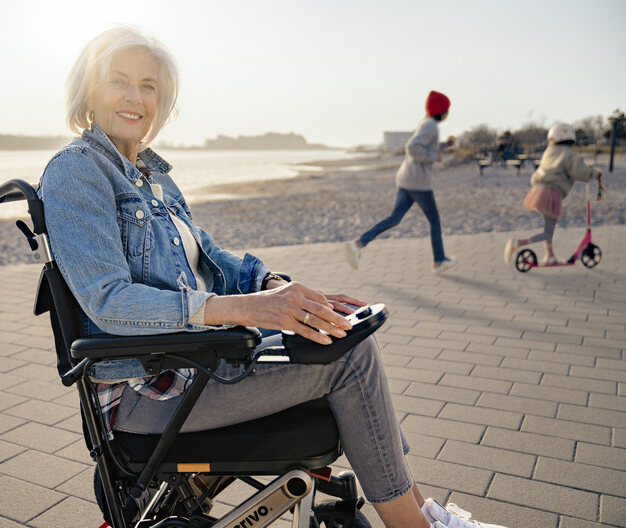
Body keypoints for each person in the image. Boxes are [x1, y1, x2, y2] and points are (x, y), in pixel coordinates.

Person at [38, 26, 508, 528]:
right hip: (151, 388)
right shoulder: (77, 171)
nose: (135, 97)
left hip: (198, 360)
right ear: (90, 90)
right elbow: (108, 301)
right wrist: (245, 310)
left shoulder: (153, 177)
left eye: (149, 86)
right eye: (119, 81)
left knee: (337, 333)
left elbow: (213, 260)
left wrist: (277, 291)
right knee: (349, 359)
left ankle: (426, 512)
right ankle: (418, 525)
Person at [344, 91, 458, 274]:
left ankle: (358, 243)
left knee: (395, 218)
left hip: (406, 180)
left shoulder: (426, 123)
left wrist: (445, 145)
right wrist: (434, 156)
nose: (448, 113)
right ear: (441, 111)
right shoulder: (431, 126)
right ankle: (439, 262)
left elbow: (424, 145)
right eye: (447, 109)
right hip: (418, 183)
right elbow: (412, 147)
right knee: (435, 221)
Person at [504, 123, 600, 265]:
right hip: (551, 194)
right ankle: (518, 243)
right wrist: (594, 173)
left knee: (549, 226)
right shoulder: (570, 155)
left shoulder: (549, 152)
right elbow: (580, 173)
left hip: (538, 190)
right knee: (548, 232)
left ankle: (549, 256)